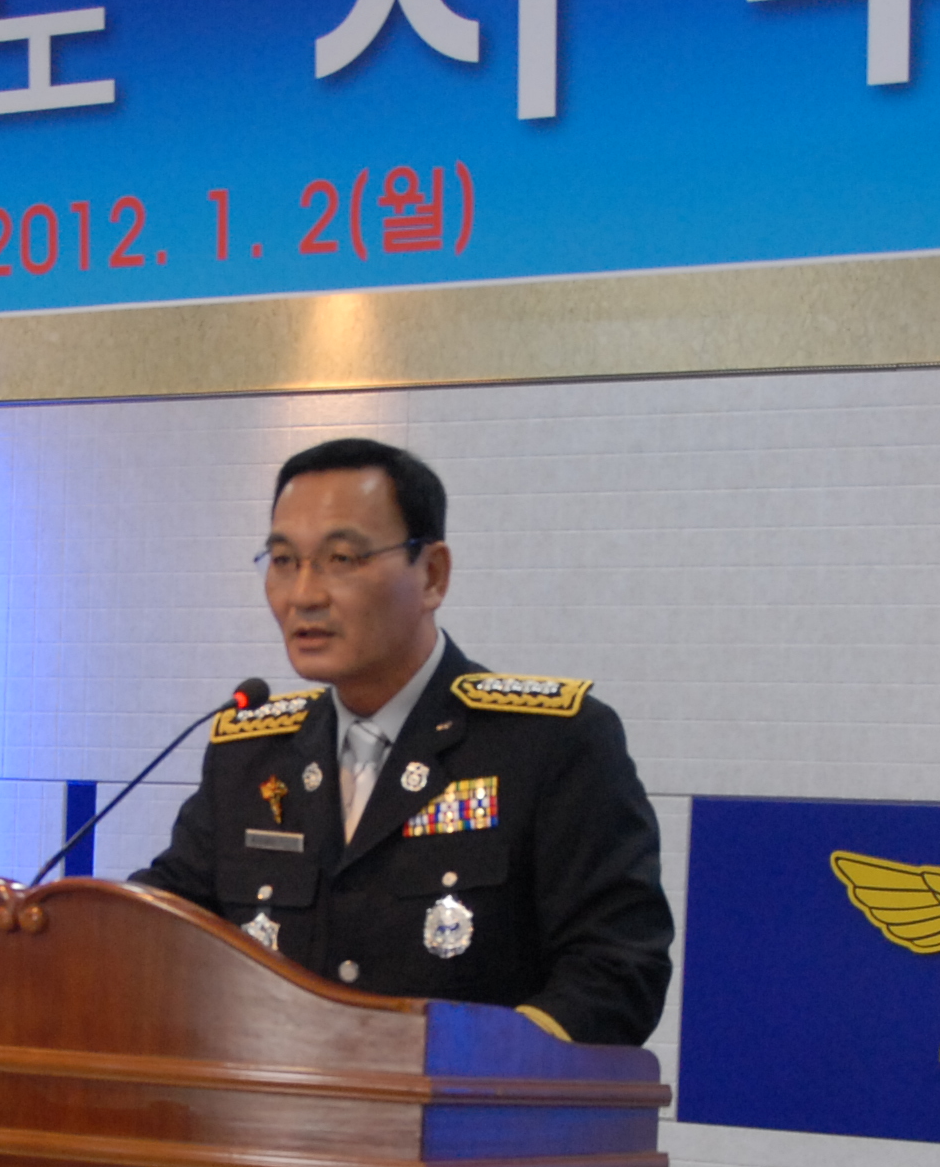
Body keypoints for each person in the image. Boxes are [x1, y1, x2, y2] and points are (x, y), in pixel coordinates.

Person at [130, 437, 673, 1045]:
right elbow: (162, 928)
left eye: (341, 558)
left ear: (432, 574)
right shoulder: (251, 755)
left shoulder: (549, 745)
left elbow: (617, 971)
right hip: (278, 1102)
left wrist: (470, 1072)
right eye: (282, 560)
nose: (303, 594)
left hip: (463, 1104)